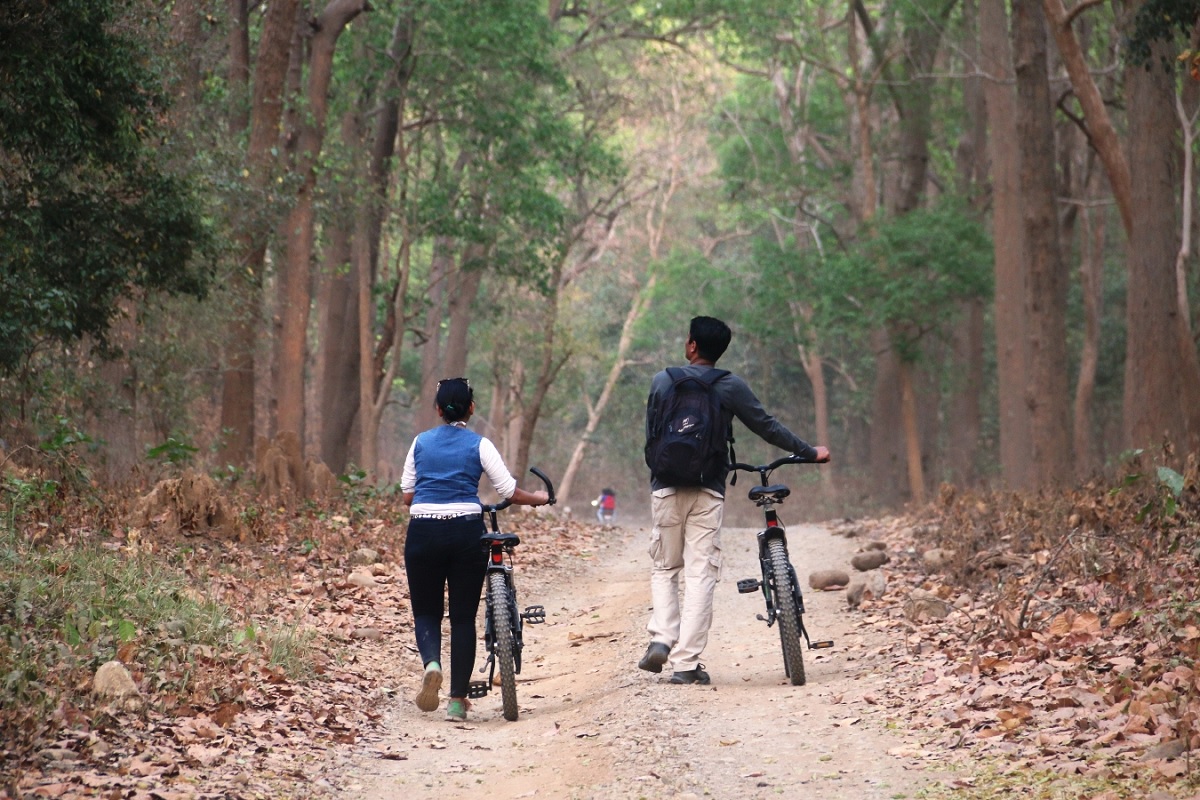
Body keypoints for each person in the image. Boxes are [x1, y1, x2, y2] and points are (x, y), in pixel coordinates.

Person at [638, 316, 831, 685]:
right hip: (708, 488)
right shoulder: (729, 385)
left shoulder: (662, 381)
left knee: (665, 567)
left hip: (665, 487)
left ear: (692, 345)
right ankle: (685, 664)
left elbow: (651, 437)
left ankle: (662, 636)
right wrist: (809, 451)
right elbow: (767, 425)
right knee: (700, 573)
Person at [400, 377, 550, 722]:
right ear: (471, 408)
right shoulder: (479, 445)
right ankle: (456, 701)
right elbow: (509, 492)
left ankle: (432, 664)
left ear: (437, 409)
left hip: (423, 529)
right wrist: (539, 499)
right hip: (466, 531)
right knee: (463, 617)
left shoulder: (419, 443)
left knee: (426, 612)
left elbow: (408, 495)